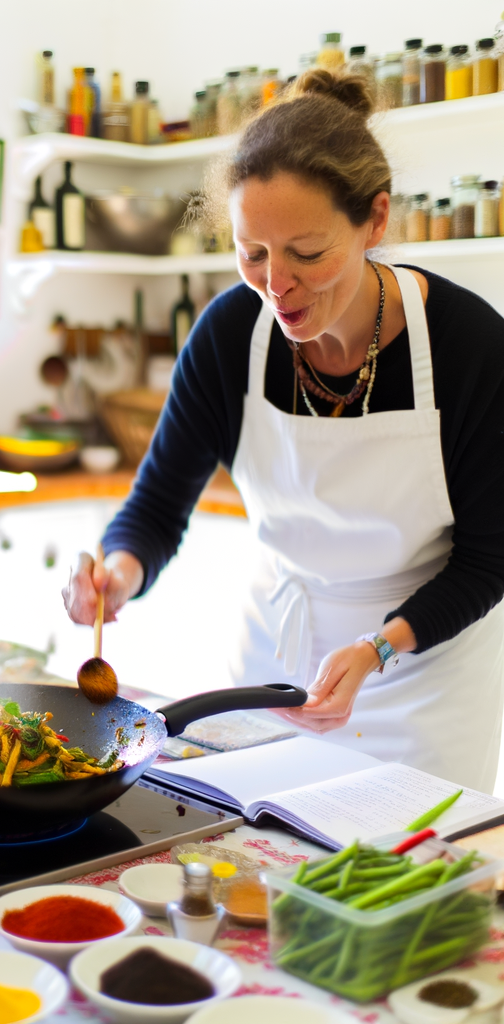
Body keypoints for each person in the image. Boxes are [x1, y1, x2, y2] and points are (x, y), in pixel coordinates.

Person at [62, 69, 504, 791]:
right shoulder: (230, 336)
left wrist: (377, 650)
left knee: (403, 883)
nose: (277, 284)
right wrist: (117, 574)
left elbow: (489, 561)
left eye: (306, 252)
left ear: (376, 220)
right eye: (252, 252)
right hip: (274, 664)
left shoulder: (469, 348)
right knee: (254, 864)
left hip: (423, 670)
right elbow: (156, 505)